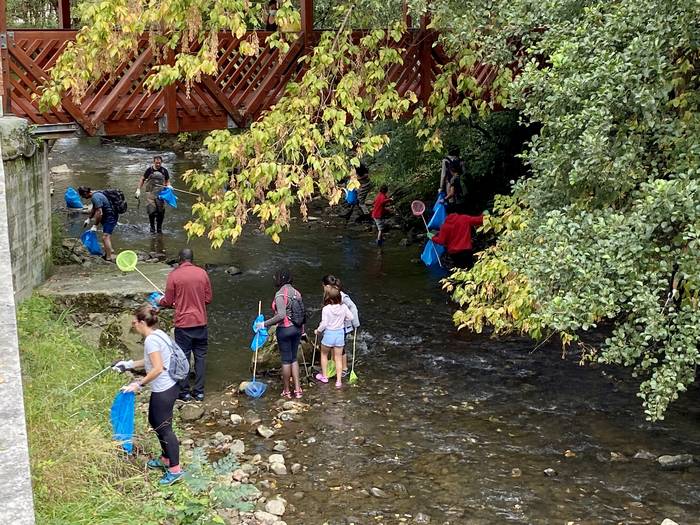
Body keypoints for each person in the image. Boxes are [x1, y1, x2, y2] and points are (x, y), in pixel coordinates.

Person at [113, 306, 183, 485]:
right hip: (168, 386)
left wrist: (138, 384)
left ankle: (175, 470)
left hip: (165, 388)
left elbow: (158, 368)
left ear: (143, 323)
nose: (133, 326)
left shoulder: (151, 340)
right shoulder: (158, 334)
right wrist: (128, 364)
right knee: (155, 421)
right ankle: (166, 459)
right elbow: (152, 359)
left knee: (164, 428)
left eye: (134, 323)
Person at [159, 248, 212, 402]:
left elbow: (168, 301)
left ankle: (184, 392)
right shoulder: (202, 273)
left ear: (180, 259)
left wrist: (160, 301)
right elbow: (208, 299)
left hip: (183, 324)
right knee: (201, 357)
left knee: (183, 357)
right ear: (192, 259)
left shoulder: (174, 275)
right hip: (201, 322)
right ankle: (199, 392)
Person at [257, 269, 304, 399]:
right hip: (297, 329)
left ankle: (287, 391)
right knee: (294, 359)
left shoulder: (279, 295)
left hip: (284, 329)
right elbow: (301, 313)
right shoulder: (296, 293)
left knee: (286, 360)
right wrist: (302, 331)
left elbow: (281, 315)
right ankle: (298, 390)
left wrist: (264, 324)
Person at [315, 286, 353, 388]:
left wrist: (318, 331)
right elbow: (351, 317)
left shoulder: (326, 309)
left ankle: (325, 376)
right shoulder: (344, 307)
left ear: (329, 298)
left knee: (323, 355)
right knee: (338, 358)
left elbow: (324, 323)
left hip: (329, 335)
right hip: (339, 335)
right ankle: (339, 381)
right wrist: (343, 320)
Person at [321, 275, 359, 377]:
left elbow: (353, 307)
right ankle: (336, 367)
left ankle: (345, 368)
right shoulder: (330, 294)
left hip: (343, 326)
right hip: (335, 326)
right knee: (335, 346)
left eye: (324, 286)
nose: (323, 288)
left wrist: (355, 323)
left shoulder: (341, 296)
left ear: (328, 286)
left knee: (340, 348)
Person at [78, 186, 118, 262]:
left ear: (86, 193)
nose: (83, 197)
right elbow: (94, 208)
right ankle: (110, 251)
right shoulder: (95, 194)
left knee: (105, 237)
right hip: (108, 216)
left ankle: (109, 258)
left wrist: (95, 225)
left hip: (110, 217)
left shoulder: (95, 197)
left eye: (83, 196)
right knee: (106, 236)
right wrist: (89, 219)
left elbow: (100, 212)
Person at [136, 156, 171, 234]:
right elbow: (142, 179)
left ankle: (159, 229)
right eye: (156, 163)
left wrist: (169, 186)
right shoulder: (149, 170)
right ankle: (152, 228)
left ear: (161, 162)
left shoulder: (164, 171)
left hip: (161, 194)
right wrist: (138, 189)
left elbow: (167, 181)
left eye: (159, 163)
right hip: (150, 193)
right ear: (154, 162)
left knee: (160, 212)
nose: (158, 164)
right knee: (151, 211)